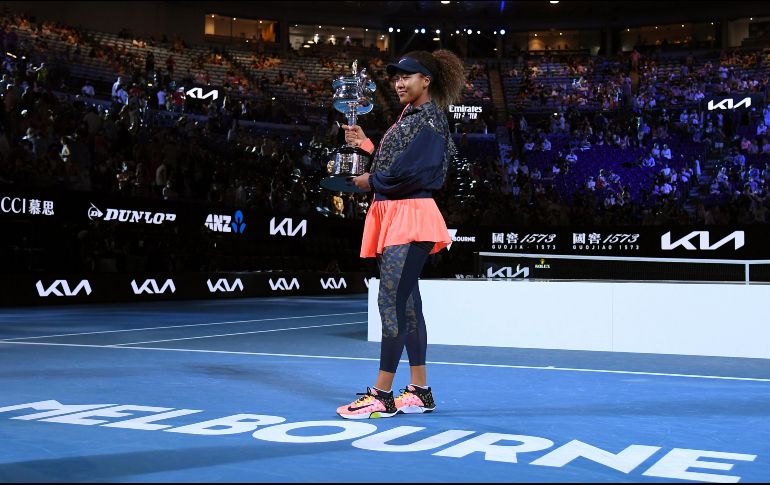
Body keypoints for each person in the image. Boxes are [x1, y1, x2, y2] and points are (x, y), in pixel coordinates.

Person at [337, 50, 464, 419]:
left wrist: (370, 180)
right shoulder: (409, 117)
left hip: (410, 217)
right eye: (395, 77)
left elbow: (420, 174)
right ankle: (420, 390)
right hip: (397, 214)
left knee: (391, 304)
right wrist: (366, 145)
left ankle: (381, 394)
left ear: (427, 81)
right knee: (407, 306)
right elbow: (398, 164)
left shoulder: (431, 118)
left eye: (407, 76)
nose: (398, 82)